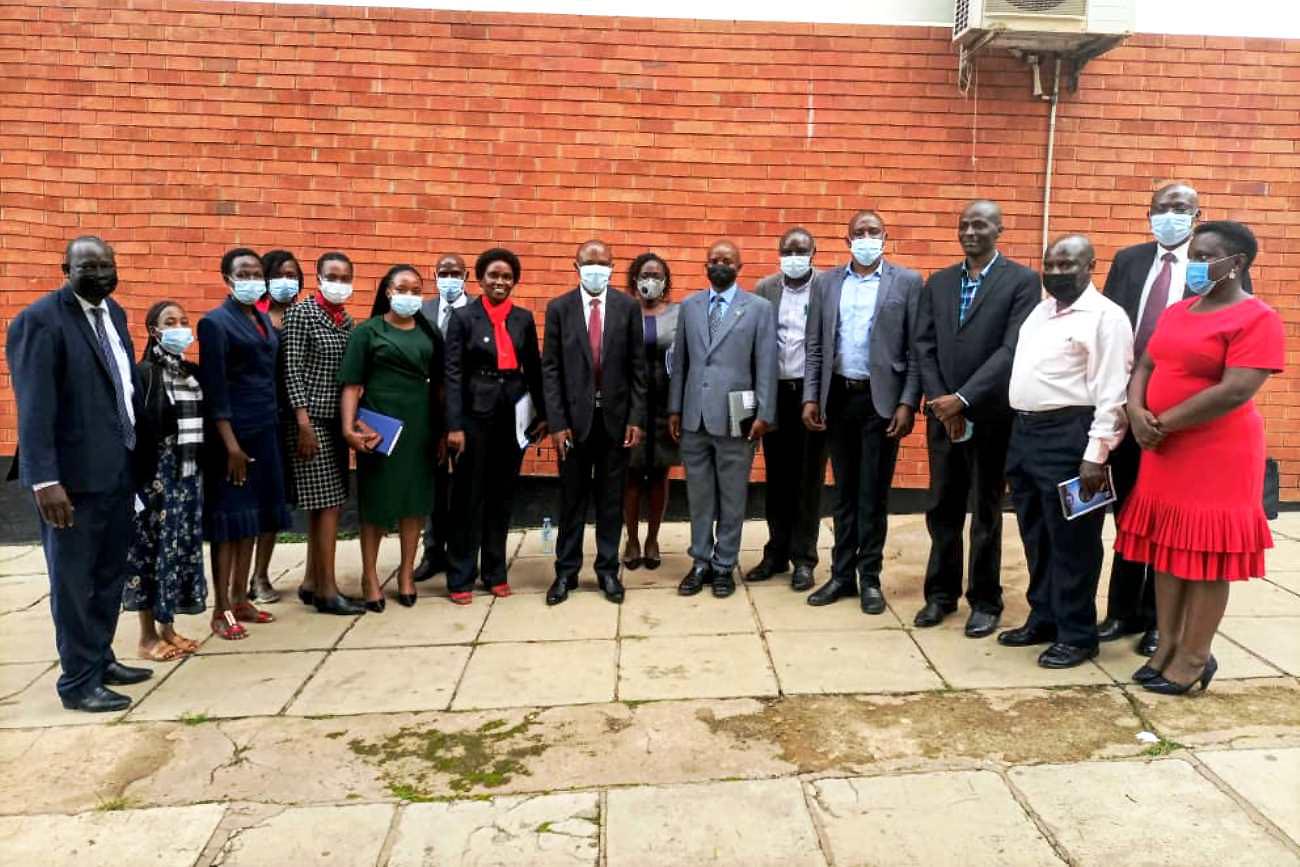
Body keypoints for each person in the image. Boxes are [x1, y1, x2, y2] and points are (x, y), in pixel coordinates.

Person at [1116, 221, 1284, 694]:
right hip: (1161, 447)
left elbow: (1235, 390)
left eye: (1206, 255)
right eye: (1194, 254)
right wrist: (1136, 411)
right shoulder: (1179, 310)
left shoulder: (1257, 318)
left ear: (1237, 264)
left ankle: (1195, 656)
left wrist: (1162, 422)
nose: (1195, 263)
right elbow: (1146, 363)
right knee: (1168, 552)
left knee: (1205, 555)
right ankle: (1167, 644)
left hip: (1214, 453)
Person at [1098, 183, 1254, 658]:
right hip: (1130, 405)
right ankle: (1121, 610)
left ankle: (1157, 623)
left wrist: (1164, 419)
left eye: (1180, 208)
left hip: (1186, 426)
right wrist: (1128, 404)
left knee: (1173, 524)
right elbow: (1110, 325)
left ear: (1197, 214)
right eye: (1161, 208)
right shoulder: (1128, 259)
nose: (1170, 215)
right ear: (1149, 214)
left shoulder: (1215, 267)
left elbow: (1236, 355)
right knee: (1130, 514)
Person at [6, 235, 153, 711]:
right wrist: (44, 480)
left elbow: (122, 387)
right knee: (74, 582)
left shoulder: (116, 315)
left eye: (106, 265)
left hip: (117, 470)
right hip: (70, 481)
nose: (99, 273)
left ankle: (100, 657)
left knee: (109, 573)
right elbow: (34, 406)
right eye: (87, 267)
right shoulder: (39, 321)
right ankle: (77, 682)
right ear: (64, 269)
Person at [998, 235, 1133, 668]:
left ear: (1091, 265)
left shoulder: (1106, 318)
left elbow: (1113, 391)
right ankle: (1045, 616)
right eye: (1050, 265)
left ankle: (1078, 634)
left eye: (1067, 265)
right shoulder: (1040, 312)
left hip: (1072, 437)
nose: (1056, 273)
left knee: (1074, 541)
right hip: (1025, 434)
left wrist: (1097, 453)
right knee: (1035, 534)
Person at [913, 200, 1040, 637]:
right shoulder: (941, 282)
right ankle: (940, 595)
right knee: (942, 508)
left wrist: (963, 399)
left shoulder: (1022, 281)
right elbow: (924, 347)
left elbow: (1011, 349)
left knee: (985, 511)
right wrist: (938, 400)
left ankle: (985, 600)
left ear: (999, 229)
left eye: (980, 224)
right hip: (941, 415)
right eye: (964, 224)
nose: (970, 231)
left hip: (989, 416)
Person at [802, 211, 922, 612]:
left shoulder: (906, 282)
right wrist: (811, 397)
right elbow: (816, 345)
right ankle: (841, 576)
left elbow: (914, 349)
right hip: (839, 396)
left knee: (873, 492)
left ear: (885, 237)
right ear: (846, 239)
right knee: (844, 493)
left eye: (873, 232)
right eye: (859, 233)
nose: (866, 238)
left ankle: (869, 578)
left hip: (881, 401)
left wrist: (907, 402)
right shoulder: (827, 283)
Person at [668, 240, 777, 599]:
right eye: (714, 260)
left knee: (732, 496)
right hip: (694, 416)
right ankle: (700, 561)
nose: (720, 265)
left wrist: (765, 413)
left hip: (738, 416)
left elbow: (765, 364)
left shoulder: (758, 308)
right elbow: (681, 363)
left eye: (727, 260)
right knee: (699, 496)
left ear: (739, 267)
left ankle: (723, 565)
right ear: (705, 266)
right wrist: (675, 409)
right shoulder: (690, 306)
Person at [542, 239, 647, 605]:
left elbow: (638, 368)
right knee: (571, 499)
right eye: (590, 263)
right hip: (573, 423)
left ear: (614, 268)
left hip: (615, 421)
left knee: (610, 499)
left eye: (604, 263)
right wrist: (556, 423)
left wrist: (636, 417)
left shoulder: (627, 307)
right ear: (576, 266)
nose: (597, 269)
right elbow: (550, 369)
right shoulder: (559, 309)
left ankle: (607, 571)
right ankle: (566, 572)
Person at [198, 247, 292, 640]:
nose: (252, 278)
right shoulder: (215, 323)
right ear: (227, 278)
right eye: (243, 273)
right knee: (230, 524)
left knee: (253, 519)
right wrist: (230, 445)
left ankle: (241, 597)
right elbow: (215, 389)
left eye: (257, 272)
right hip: (233, 439)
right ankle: (220, 609)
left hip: (265, 430)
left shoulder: (261, 320)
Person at [444, 248, 546, 603]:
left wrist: (543, 415)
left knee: (501, 496)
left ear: (514, 281)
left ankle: (494, 572)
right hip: (474, 413)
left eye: (506, 277)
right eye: (493, 275)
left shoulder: (523, 318)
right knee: (468, 496)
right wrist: (453, 425)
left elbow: (534, 368)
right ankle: (459, 575)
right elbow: (452, 373)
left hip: (512, 413)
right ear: (481, 278)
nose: (500, 282)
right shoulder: (462, 318)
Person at [339, 265, 444, 610]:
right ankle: (370, 577)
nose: (410, 295)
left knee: (414, 503)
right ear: (388, 290)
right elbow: (352, 385)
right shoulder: (367, 331)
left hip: (420, 426)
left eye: (417, 289)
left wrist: (443, 430)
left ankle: (406, 575)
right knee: (377, 506)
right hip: (379, 428)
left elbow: (441, 385)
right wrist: (348, 427)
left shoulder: (428, 332)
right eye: (403, 288)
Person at [282, 251, 365, 616]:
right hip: (310, 421)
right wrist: (302, 423)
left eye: (346, 277)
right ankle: (328, 591)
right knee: (327, 503)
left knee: (325, 505)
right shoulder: (301, 314)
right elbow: (291, 368)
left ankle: (313, 580)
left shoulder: (347, 322)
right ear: (318, 277)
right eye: (333, 275)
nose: (339, 283)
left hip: (336, 422)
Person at [124, 300, 207, 662]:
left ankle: (168, 627)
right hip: (155, 479)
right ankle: (146, 637)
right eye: (170, 322)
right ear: (154, 331)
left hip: (187, 477)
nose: (179, 327)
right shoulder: (143, 374)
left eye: (184, 321)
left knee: (177, 551)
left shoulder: (191, 372)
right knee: (151, 553)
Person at [748, 227, 827, 592]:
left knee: (807, 479)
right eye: (787, 250)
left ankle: (804, 558)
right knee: (776, 478)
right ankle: (775, 552)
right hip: (775, 393)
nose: (793, 256)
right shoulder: (765, 289)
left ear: (814, 252)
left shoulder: (827, 287)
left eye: (801, 250)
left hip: (812, 396)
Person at [247, 249, 303, 605]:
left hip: (291, 418)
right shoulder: (253, 318)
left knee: (276, 500)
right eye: (282, 273)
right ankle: (240, 577)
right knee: (250, 500)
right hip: (256, 419)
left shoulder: (301, 316)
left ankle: (261, 573)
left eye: (294, 274)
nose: (288, 280)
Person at [413, 253, 470, 583]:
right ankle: (432, 550)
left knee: (463, 485)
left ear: (466, 276)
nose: (450, 278)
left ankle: (460, 552)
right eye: (444, 272)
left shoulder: (476, 311)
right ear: (434, 275)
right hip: (428, 410)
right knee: (432, 484)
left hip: (466, 411)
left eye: (456, 273)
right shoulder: (422, 311)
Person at [622, 253, 680, 571]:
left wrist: (679, 408)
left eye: (657, 275)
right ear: (634, 279)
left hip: (665, 406)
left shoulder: (678, 314)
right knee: (630, 474)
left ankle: (653, 538)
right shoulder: (624, 311)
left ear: (666, 281)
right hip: (632, 405)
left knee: (660, 473)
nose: (650, 280)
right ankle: (631, 539)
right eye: (645, 274)